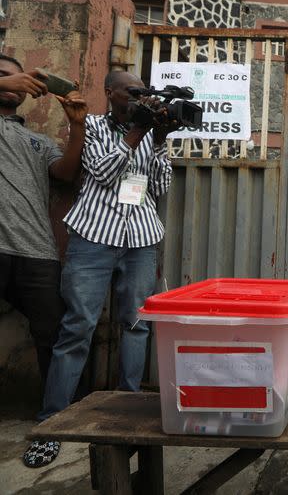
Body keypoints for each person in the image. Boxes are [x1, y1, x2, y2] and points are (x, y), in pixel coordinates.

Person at [24, 71, 176, 468]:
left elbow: (159, 187)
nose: (139, 98)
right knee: (78, 326)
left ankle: (127, 412)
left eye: (143, 93)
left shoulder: (151, 131)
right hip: (93, 237)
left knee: (137, 324)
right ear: (111, 93)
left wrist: (158, 141)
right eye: (132, 92)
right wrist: (137, 134)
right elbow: (104, 174)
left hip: (141, 238)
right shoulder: (89, 126)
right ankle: (52, 421)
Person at [0, 54, 86, 395]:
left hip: (36, 251)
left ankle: (58, 413)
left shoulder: (38, 140)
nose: (16, 84)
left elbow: (65, 173)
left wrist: (77, 126)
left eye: (20, 81)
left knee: (54, 332)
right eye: (5, 77)